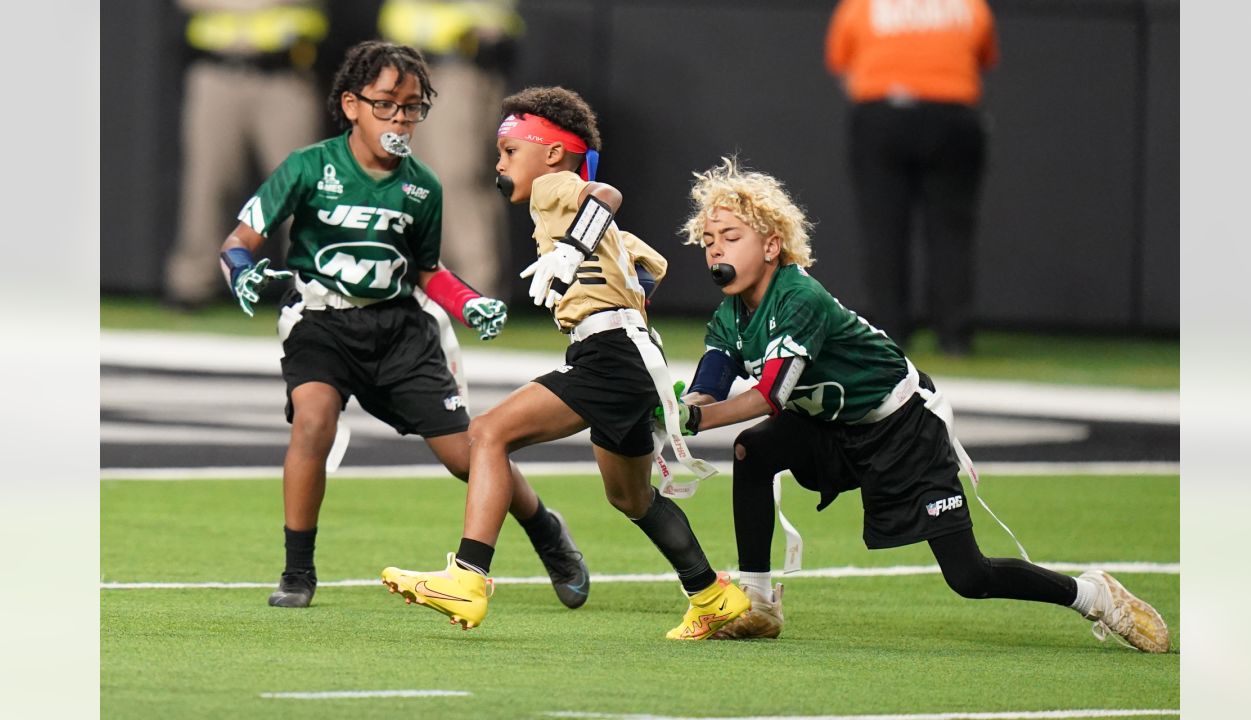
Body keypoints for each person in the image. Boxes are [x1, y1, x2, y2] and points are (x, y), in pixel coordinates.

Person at [666, 157, 1169, 653]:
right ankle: (758, 602)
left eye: (731, 238)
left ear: (772, 245)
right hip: (834, 425)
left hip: (901, 425)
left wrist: (693, 418)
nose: (716, 252)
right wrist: (674, 408)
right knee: (752, 451)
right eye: (708, 243)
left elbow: (770, 396)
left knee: (969, 576)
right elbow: (708, 384)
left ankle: (1093, 595)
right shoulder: (731, 314)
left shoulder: (798, 297)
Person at [216, 41, 588, 610]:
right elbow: (238, 241)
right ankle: (297, 571)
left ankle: (547, 533)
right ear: (350, 104)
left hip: (399, 330)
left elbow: (425, 271)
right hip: (322, 320)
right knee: (312, 422)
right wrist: (241, 270)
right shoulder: (308, 166)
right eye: (386, 104)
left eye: (413, 107)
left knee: (466, 454)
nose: (400, 119)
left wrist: (468, 304)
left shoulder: (423, 186)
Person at [379, 87, 750, 639]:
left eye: (510, 151)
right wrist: (606, 270)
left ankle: (468, 576)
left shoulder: (556, 187)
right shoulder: (560, 207)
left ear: (552, 153)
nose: (500, 163)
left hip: (611, 354)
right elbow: (653, 263)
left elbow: (607, 193)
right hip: (628, 352)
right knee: (630, 495)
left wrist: (572, 253)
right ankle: (711, 593)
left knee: (487, 433)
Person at [825, 0, 998, 355]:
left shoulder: (862, 5)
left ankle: (889, 333)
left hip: (882, 115)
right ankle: (954, 336)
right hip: (952, 115)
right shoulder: (968, 5)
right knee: (951, 231)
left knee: (883, 229)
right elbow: (985, 57)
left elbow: (841, 62)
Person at [165, 0, 329, 309]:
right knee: (209, 182)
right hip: (217, 69)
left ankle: (316, 284)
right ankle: (192, 286)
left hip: (285, 74)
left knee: (300, 188)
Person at [378, 0, 524, 298]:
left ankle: (480, 291)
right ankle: (427, 289)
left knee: (459, 179)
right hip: (407, 70)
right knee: (413, 182)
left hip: (459, 68)